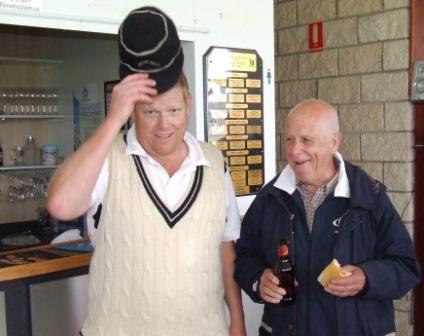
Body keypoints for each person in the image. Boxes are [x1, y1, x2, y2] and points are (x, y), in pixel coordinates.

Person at [47, 6, 246, 336]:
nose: (164, 124)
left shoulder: (215, 163)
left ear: (189, 104)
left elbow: (225, 249)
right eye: (150, 112)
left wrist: (236, 322)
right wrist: (112, 121)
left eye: (173, 110)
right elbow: (61, 205)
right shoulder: (108, 157)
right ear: (132, 113)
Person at [234, 98, 421, 336]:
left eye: (306, 140)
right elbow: (244, 256)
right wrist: (258, 280)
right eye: (289, 139)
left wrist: (366, 278)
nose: (293, 151)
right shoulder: (269, 198)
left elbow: (406, 267)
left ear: (335, 142)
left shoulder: (369, 198)